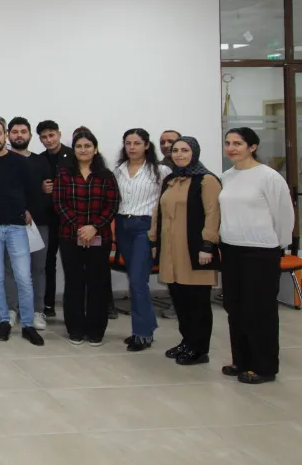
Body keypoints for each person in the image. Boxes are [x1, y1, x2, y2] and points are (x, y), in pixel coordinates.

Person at [219, 127, 294, 384]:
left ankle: (264, 366)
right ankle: (242, 360)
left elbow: (283, 215)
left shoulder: (269, 177)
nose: (231, 148)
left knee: (259, 310)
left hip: (261, 251)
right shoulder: (227, 177)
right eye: (228, 143)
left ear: (252, 147)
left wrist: (278, 245)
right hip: (231, 248)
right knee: (235, 307)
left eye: (237, 143)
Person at [149, 137, 220, 366]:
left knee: (197, 302)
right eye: (175, 150)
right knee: (180, 299)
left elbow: (213, 214)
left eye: (185, 150)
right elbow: (158, 211)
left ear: (194, 153)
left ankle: (199, 349)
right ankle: (187, 341)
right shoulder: (171, 179)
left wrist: (207, 245)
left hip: (195, 251)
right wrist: (153, 240)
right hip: (171, 250)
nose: (179, 154)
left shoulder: (206, 180)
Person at [0, 118, 44, 346]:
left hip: (16, 227)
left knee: (23, 277)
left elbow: (33, 191)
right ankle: (3, 320)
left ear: (5, 135)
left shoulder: (20, 162)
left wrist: (28, 210)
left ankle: (28, 324)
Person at [53, 129, 120, 347]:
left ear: (95, 149)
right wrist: (81, 228)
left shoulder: (106, 176)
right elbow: (59, 204)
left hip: (100, 237)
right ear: (74, 150)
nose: (83, 150)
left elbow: (112, 205)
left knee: (97, 283)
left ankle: (95, 331)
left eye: (87, 146)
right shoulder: (64, 174)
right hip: (70, 236)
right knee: (74, 283)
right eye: (79, 146)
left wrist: (95, 227)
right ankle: (75, 329)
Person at [113, 128, 171, 352]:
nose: (132, 147)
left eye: (137, 143)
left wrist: (158, 233)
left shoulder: (160, 170)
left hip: (145, 227)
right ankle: (145, 326)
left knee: (138, 281)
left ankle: (143, 333)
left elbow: (166, 203)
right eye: (128, 143)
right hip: (122, 225)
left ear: (146, 145)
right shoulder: (118, 170)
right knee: (133, 278)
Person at [5, 117, 53, 331]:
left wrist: (31, 211)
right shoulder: (2, 159)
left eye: (23, 132)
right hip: (8, 223)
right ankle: (11, 308)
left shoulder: (40, 161)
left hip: (38, 224)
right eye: (15, 132)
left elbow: (47, 191)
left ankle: (37, 311)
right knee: (10, 268)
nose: (19, 136)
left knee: (37, 269)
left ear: (30, 135)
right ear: (8, 135)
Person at [37, 120, 74, 318]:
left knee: (73, 263)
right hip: (49, 218)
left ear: (59, 134)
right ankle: (48, 304)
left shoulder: (73, 155)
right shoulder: (40, 159)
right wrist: (42, 189)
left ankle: (74, 305)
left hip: (71, 218)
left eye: (51, 135)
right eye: (44, 137)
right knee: (47, 262)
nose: (48, 140)